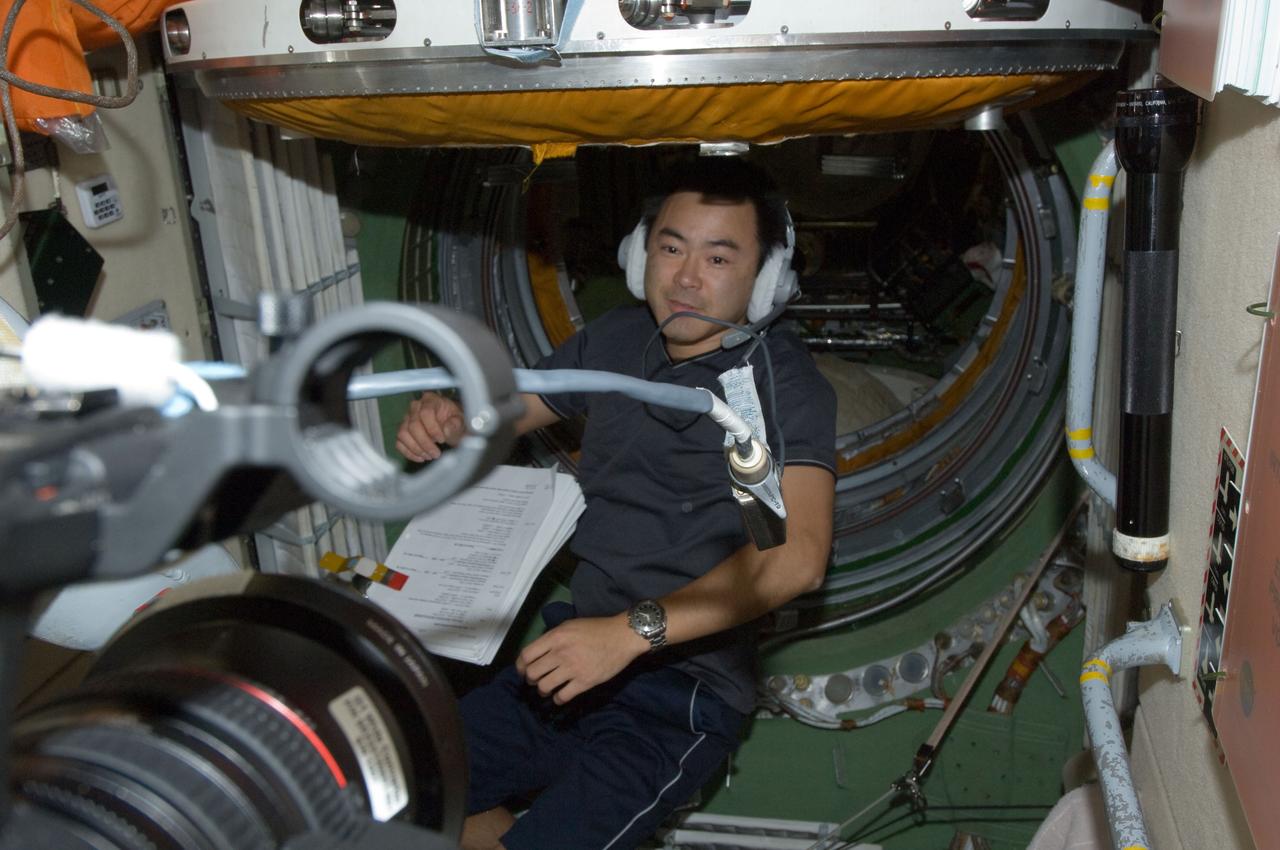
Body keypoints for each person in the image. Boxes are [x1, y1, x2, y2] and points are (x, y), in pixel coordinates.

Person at [395, 157, 837, 850]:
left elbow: (792, 559)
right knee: (402, 788)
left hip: (677, 694)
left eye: (719, 257)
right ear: (639, 254)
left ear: (765, 281)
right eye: (670, 247)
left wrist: (629, 633)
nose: (686, 277)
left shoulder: (768, 386)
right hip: (569, 656)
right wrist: (451, 418)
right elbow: (510, 411)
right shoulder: (617, 339)